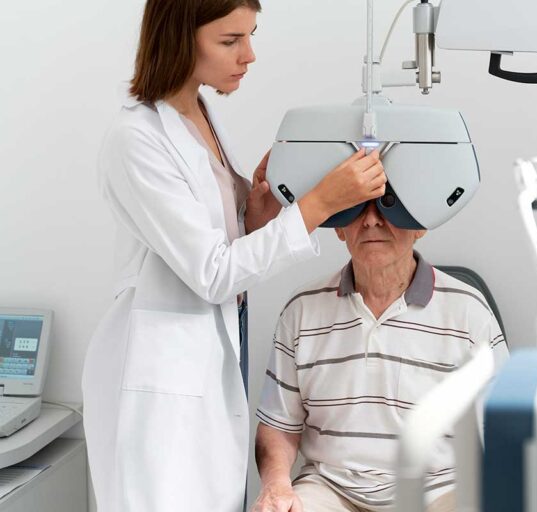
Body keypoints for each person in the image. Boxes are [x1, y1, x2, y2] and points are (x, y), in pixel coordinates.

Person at [81, 2, 386, 511]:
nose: (249, 55)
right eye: (230, 41)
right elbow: (213, 272)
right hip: (158, 384)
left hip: (211, 354)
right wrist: (318, 206)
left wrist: (257, 210)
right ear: (180, 37)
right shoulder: (135, 140)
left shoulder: (200, 114)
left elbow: (219, 239)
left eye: (250, 36)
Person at [252, 202, 509, 512]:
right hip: (331, 490)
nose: (371, 220)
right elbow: (278, 426)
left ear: (420, 225)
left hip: (438, 490)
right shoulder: (302, 309)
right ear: (338, 227)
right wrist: (276, 484)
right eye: (357, 207)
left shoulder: (469, 311)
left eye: (389, 206)